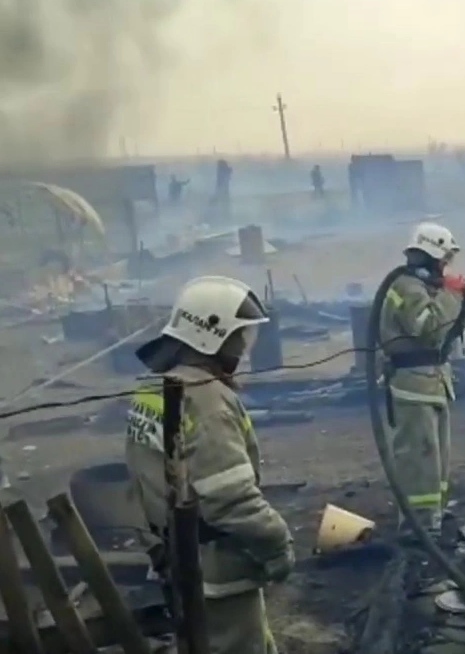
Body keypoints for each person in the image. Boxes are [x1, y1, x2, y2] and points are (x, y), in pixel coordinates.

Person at [125, 275, 293, 654]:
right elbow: (229, 497)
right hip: (216, 568)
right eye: (240, 337)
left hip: (175, 557)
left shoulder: (154, 386)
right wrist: (277, 546)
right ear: (212, 336)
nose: (244, 349)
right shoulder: (207, 399)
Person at [378, 222, 465, 539]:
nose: (445, 267)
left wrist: (460, 299)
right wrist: (452, 294)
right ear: (431, 255)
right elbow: (429, 327)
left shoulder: (426, 288)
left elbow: (448, 330)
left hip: (434, 382)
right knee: (420, 457)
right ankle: (417, 524)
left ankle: (433, 514)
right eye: (444, 260)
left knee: (437, 458)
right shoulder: (405, 288)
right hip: (413, 385)